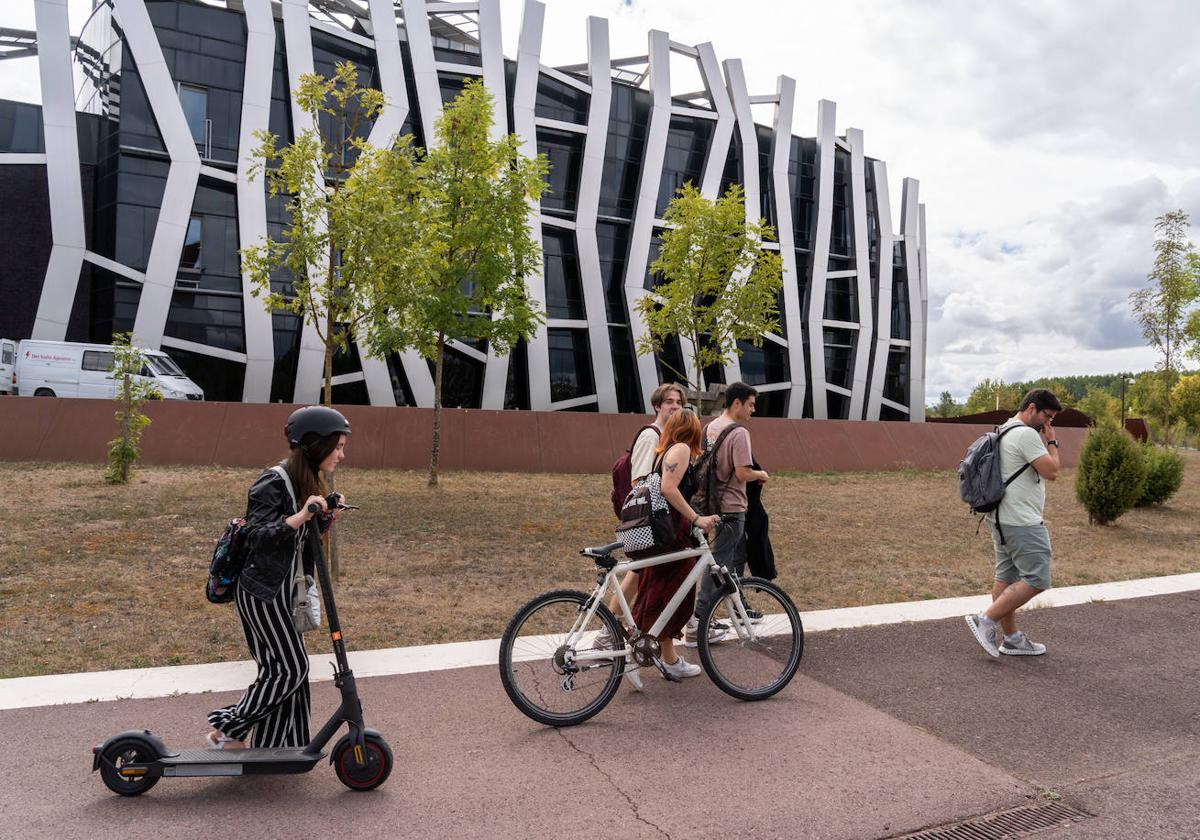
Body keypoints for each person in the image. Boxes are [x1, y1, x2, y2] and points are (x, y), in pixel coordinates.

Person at [206, 405, 351, 748]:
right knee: (291, 669)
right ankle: (227, 729)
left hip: (284, 590)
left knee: (284, 672)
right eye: (338, 446)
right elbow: (257, 534)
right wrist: (302, 515)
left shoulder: (306, 478)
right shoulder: (272, 480)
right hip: (262, 592)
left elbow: (302, 538)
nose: (342, 455)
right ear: (316, 444)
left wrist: (327, 514)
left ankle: (278, 746)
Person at [965, 389, 1063, 658]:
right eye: (1047, 417)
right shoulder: (1026, 434)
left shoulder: (1005, 428)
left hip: (999, 518)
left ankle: (1013, 639)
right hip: (1022, 521)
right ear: (1032, 408)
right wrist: (1052, 442)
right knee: (1037, 578)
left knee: (1005, 578)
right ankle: (984, 620)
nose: (1047, 424)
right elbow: (1052, 471)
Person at [601, 383, 687, 688]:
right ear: (657, 406)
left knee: (640, 573)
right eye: (668, 402)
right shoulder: (651, 435)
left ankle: (611, 631)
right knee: (638, 572)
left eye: (678, 402)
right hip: (644, 516)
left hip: (651, 516)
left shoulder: (666, 437)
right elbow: (640, 479)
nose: (674, 407)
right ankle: (607, 631)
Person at [630, 408, 721, 679]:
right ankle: (647, 656)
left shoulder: (665, 449)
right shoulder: (680, 449)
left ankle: (665, 658)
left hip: (670, 531)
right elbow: (668, 488)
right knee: (674, 594)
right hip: (672, 533)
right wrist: (697, 518)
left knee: (662, 592)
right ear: (691, 428)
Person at [685, 382, 769, 647]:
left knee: (732, 558)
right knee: (719, 563)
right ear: (737, 403)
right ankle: (700, 620)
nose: (753, 410)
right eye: (751, 404)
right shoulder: (740, 432)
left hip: (711, 503)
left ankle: (737, 607)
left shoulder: (710, 427)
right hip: (733, 505)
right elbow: (743, 473)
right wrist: (761, 474)